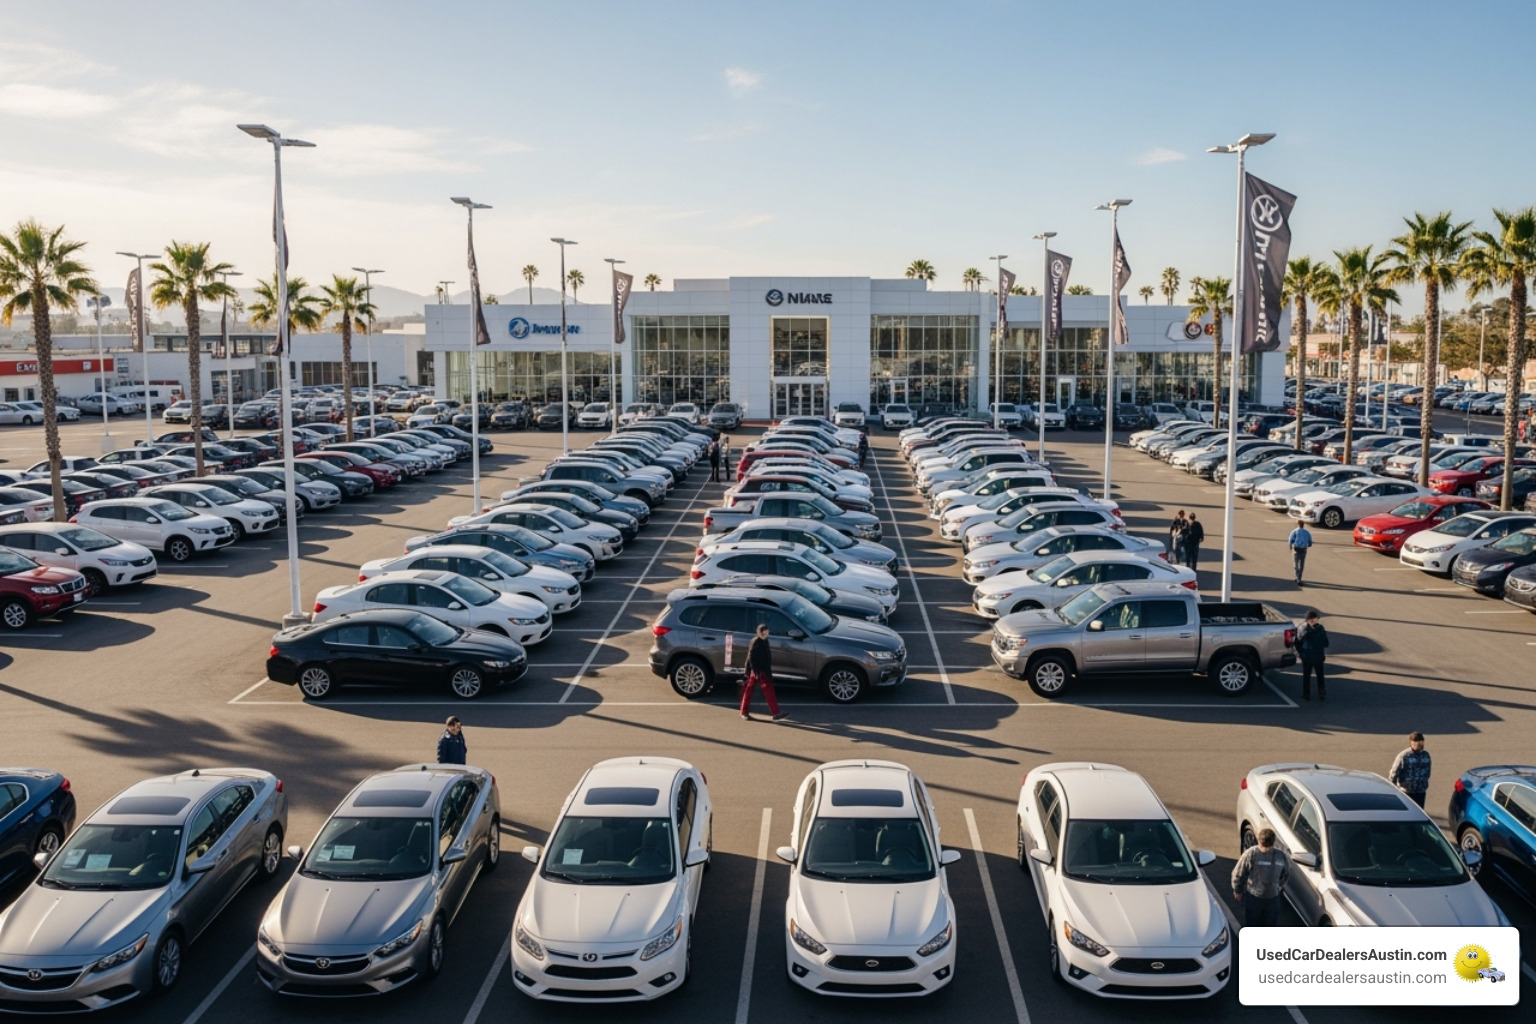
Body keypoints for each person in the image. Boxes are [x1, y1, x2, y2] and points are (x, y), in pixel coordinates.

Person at [1231, 828, 1292, 927]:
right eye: (1263, 846)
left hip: (1271, 899)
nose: (1264, 849)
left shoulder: (1280, 856)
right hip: (1255, 898)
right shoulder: (1252, 854)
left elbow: (1286, 873)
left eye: (1267, 847)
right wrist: (1238, 890)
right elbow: (1238, 872)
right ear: (1258, 840)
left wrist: (1278, 887)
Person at [741, 624, 787, 722]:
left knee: (754, 690)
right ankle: (775, 713)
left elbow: (767, 658)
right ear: (759, 633)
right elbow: (751, 657)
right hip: (758, 671)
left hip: (763, 671)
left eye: (766, 633)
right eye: (763, 633)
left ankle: (745, 712)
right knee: (757, 691)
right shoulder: (756, 642)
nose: (765, 635)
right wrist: (752, 671)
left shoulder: (765, 641)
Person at [1389, 732, 1432, 808]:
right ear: (1410, 743)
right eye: (1415, 743)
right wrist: (1393, 789)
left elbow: (1428, 771)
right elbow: (1394, 773)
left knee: (1419, 812)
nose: (1417, 744)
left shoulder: (1426, 755)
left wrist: (1423, 783)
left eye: (1420, 742)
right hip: (1406, 792)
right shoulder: (1404, 756)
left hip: (1420, 792)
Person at [1295, 610, 1329, 700]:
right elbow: (1326, 643)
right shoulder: (1320, 629)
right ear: (1311, 619)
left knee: (1307, 676)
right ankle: (1321, 692)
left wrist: (1301, 653)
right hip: (1318, 655)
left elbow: (1297, 642)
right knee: (1320, 675)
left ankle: (1306, 694)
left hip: (1307, 656)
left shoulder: (1302, 628)